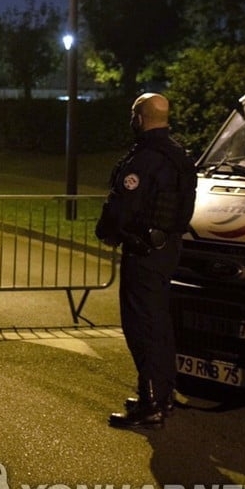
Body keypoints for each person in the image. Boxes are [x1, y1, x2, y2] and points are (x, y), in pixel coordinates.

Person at [96, 93, 197, 430]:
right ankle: (163, 393)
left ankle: (150, 402)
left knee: (142, 325)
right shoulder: (179, 156)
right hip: (168, 249)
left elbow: (123, 206)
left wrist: (106, 230)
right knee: (159, 322)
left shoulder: (145, 159)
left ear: (139, 117)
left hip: (143, 252)